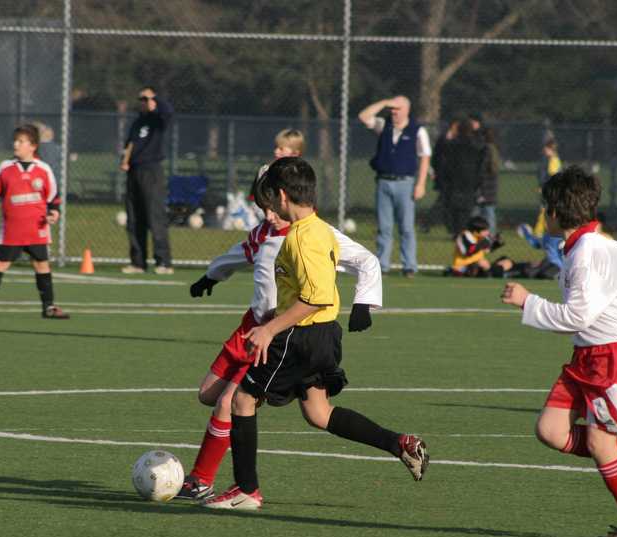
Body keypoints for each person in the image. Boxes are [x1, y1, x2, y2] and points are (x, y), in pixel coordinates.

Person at [200, 157, 428, 510]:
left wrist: (269, 329)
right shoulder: (321, 230)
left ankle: (246, 490)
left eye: (269, 198)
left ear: (281, 196)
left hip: (299, 336)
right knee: (319, 413)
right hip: (324, 336)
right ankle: (400, 444)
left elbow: (315, 298)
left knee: (240, 400)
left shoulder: (301, 238)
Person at [501, 166, 617, 537]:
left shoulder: (589, 252)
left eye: (546, 209)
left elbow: (577, 317)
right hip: (591, 354)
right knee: (550, 430)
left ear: (555, 212)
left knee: (600, 444)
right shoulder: (588, 247)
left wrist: (527, 301)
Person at [0, 124, 68, 320]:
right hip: (11, 230)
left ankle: (49, 307)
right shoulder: (5, 168)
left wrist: (54, 213)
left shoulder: (43, 169)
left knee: (42, 265)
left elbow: (53, 198)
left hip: (37, 229)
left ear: (33, 146)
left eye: (21, 141)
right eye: (15, 141)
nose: (16, 144)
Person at [358, 95, 431, 277]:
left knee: (406, 227)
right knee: (384, 227)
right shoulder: (384, 125)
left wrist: (421, 184)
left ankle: (409, 265)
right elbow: (364, 117)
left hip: (405, 183)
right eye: (392, 109)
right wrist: (384, 102)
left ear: (407, 110)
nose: (394, 112)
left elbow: (425, 156)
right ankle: (382, 265)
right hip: (384, 181)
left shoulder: (417, 130)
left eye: (397, 109)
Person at [120, 86, 173, 275]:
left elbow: (168, 111)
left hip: (151, 172)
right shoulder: (138, 122)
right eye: (142, 100)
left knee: (155, 217)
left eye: (147, 99)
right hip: (134, 171)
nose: (144, 103)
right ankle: (138, 262)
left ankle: (163, 262)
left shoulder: (158, 120)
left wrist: (155, 97)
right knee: (134, 218)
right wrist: (125, 161)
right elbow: (131, 144)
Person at [439, 118, 484, 236]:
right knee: (466, 215)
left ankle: (457, 234)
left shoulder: (451, 146)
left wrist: (443, 182)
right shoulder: (476, 147)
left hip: (453, 185)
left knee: (454, 215)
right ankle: (465, 234)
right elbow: (481, 168)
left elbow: (444, 165)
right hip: (470, 185)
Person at [472, 126, 500, 233]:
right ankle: (490, 234)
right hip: (492, 185)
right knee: (489, 211)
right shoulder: (494, 149)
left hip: (484, 185)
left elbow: (482, 169)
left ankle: (477, 232)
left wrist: (479, 188)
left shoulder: (485, 150)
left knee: (481, 211)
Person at [533, 139, 562, 237]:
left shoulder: (553, 160)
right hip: (552, 189)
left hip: (551, 190)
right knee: (546, 209)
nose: (544, 150)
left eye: (546, 148)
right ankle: (544, 230)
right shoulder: (552, 160)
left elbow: (552, 177)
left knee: (545, 209)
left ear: (551, 149)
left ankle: (539, 231)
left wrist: (544, 188)